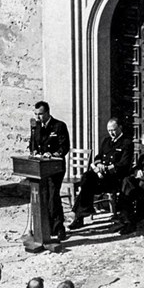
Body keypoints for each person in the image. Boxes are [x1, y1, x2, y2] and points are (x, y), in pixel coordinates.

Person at [69, 118, 133, 230]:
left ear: (120, 128)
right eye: (109, 130)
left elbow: (124, 164)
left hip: (115, 179)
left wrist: (106, 168)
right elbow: (98, 157)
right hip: (102, 176)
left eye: (113, 130)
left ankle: (79, 216)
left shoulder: (127, 142)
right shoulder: (106, 141)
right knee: (86, 178)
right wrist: (98, 165)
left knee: (86, 185)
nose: (111, 133)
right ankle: (82, 214)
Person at [28, 100, 71, 239]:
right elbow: (32, 144)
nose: (37, 117)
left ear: (47, 112)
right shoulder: (36, 127)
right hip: (40, 168)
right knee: (43, 196)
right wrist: (34, 152)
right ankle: (45, 227)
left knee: (53, 197)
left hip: (55, 168)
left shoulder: (59, 126)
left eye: (40, 114)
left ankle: (59, 228)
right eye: (36, 114)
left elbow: (64, 147)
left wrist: (52, 154)